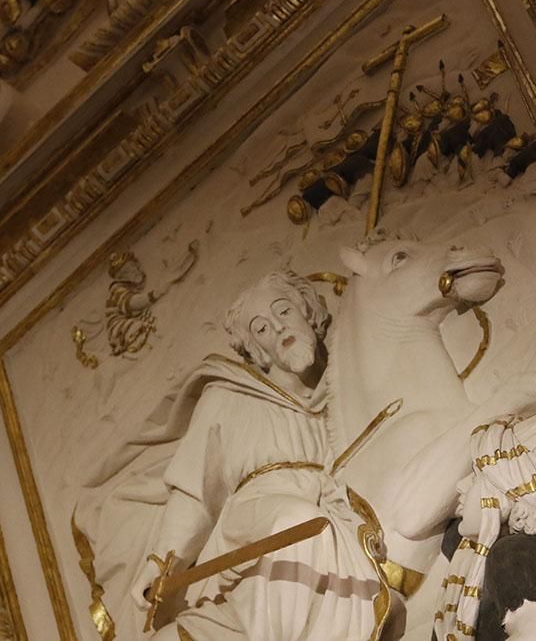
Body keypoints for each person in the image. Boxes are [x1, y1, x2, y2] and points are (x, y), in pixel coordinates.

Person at [129, 270, 395, 640]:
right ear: (255, 351)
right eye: (262, 329)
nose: (278, 327)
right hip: (259, 511)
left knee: (325, 536)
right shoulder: (229, 397)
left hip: (330, 510)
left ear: (309, 314)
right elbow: (195, 493)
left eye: (283, 312)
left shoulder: (340, 392)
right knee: (298, 522)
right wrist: (161, 563)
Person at [433, 412, 536, 641]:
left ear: (502, 498)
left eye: (476, 478)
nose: (461, 486)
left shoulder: (515, 555)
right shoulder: (465, 552)